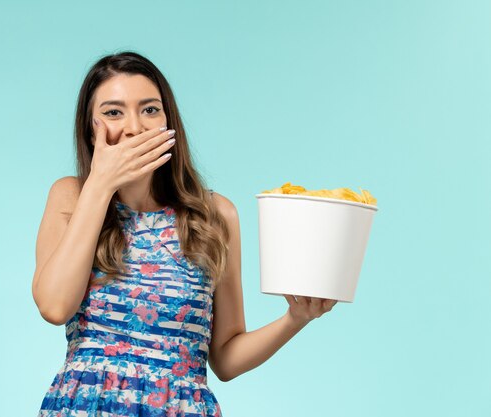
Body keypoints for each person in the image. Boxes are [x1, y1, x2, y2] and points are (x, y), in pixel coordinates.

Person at [32, 51, 337, 417]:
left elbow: (225, 357)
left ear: (168, 121)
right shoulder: (71, 196)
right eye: (113, 112)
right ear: (89, 128)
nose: (134, 127)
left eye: (150, 109)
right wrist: (100, 185)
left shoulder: (215, 216)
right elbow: (54, 306)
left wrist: (296, 318)